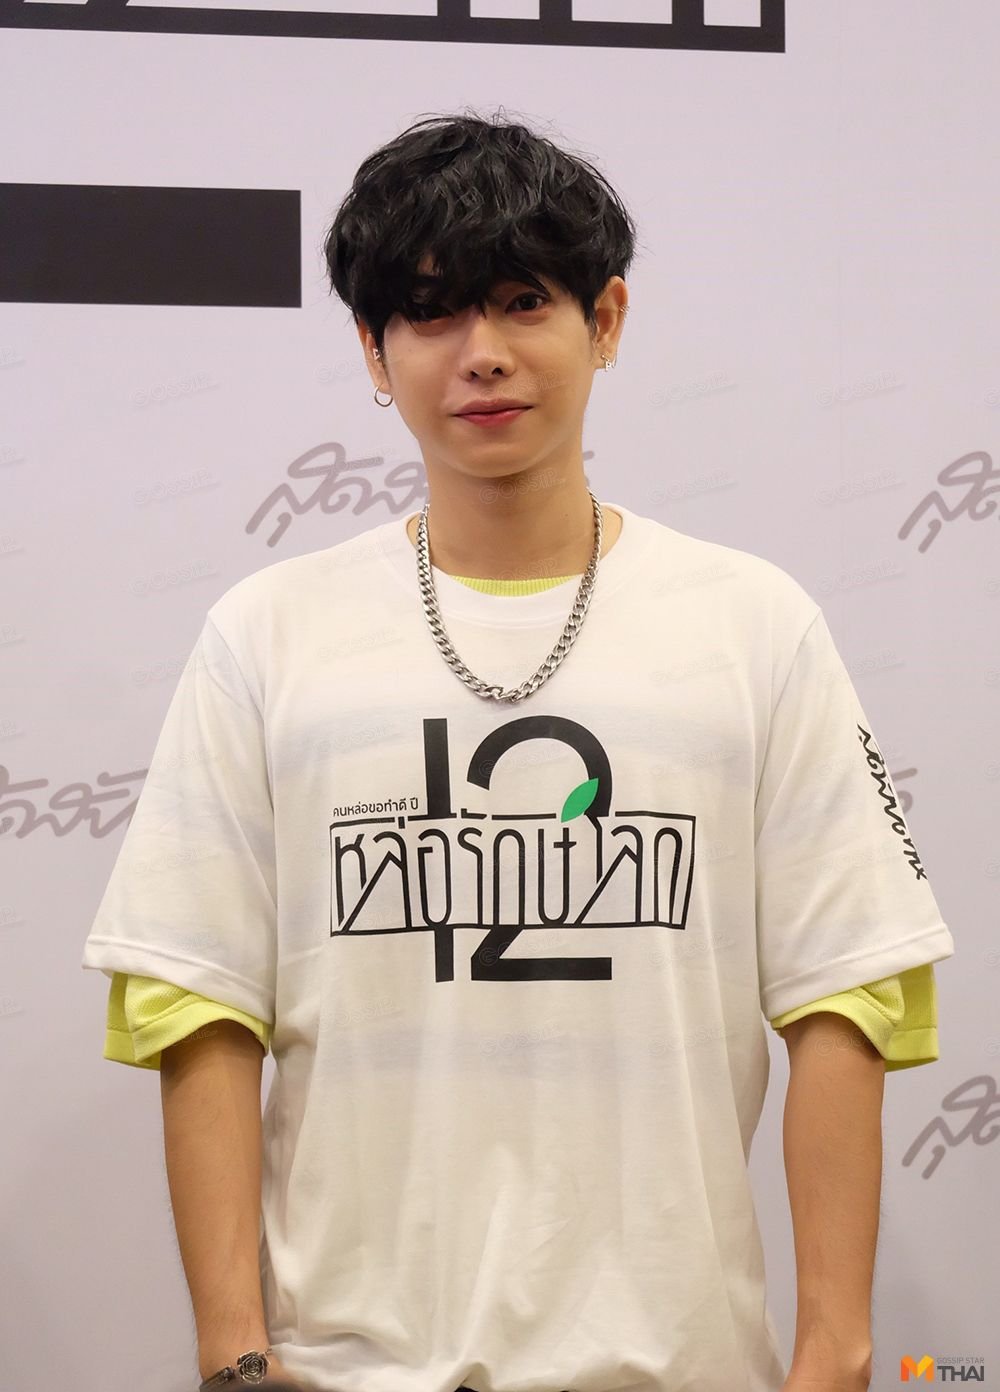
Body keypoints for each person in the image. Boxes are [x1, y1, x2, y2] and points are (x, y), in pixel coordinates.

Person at [82, 109, 955, 1392]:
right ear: (373, 351)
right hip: (345, 1370)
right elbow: (193, 998)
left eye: (521, 301)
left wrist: (835, 1348)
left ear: (606, 320)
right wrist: (233, 1354)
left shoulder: (753, 625)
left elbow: (851, 989)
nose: (480, 354)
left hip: (677, 1366)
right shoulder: (265, 635)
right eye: (430, 314)